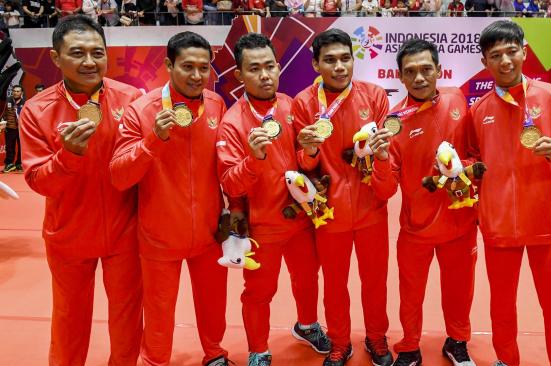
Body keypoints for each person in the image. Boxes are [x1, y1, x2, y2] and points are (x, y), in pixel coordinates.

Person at [19, 15, 143, 365]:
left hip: (125, 231)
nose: (89, 62)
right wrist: (68, 156)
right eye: (77, 53)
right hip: (68, 234)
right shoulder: (36, 110)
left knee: (128, 319)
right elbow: (38, 181)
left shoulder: (131, 98)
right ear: (56, 58)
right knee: (69, 320)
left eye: (97, 52)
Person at [466, 20, 551, 366]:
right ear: (484, 62)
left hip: (548, 224)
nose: (505, 61)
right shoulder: (479, 111)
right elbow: (473, 162)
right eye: (495, 55)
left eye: (511, 51)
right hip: (498, 228)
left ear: (525, 50)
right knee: (502, 306)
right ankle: (507, 360)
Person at [110, 31, 231, 366]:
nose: (196, 75)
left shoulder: (217, 104)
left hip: (209, 233)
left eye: (203, 68)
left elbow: (225, 163)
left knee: (214, 304)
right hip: (159, 235)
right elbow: (120, 175)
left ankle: (215, 353)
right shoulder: (141, 111)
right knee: (159, 312)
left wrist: (233, 211)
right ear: (168, 65)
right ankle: (156, 361)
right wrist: (153, 140)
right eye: (187, 66)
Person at [217, 32, 330, 366]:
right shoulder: (231, 123)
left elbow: (306, 163)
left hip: (300, 218)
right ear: (239, 75)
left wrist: (310, 151)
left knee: (309, 278)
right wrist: (253, 159)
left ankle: (307, 326)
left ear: (279, 68)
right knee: (259, 293)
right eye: (254, 69)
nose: (264, 75)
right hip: (261, 226)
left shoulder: (290, 105)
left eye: (270, 66)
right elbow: (230, 183)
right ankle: (258, 350)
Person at [369, 38, 479, 366]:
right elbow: (385, 189)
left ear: (439, 70)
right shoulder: (394, 123)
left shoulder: (458, 99)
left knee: (460, 291)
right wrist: (381, 157)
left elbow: (474, 151)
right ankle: (410, 345)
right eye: (411, 72)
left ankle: (457, 341)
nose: (419, 77)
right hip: (416, 228)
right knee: (411, 295)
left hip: (461, 224)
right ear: (400, 78)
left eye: (426, 70)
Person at [292, 28, 392, 366]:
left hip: (371, 209)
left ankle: (377, 338)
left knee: (375, 281)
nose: (339, 67)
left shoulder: (375, 96)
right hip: (329, 212)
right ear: (316, 64)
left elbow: (383, 156)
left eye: (345, 59)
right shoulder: (303, 103)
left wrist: (381, 159)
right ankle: (339, 342)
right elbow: (304, 165)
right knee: (334, 285)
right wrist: (307, 153)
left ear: (353, 59)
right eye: (330, 60)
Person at [2, 85, 24, 173]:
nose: (16, 93)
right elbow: (3, 113)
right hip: (10, 128)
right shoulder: (7, 101)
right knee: (10, 147)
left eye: (18, 91)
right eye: (14, 91)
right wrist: (3, 122)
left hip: (21, 129)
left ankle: (19, 164)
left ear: (21, 93)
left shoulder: (25, 102)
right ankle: (9, 164)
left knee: (21, 147)